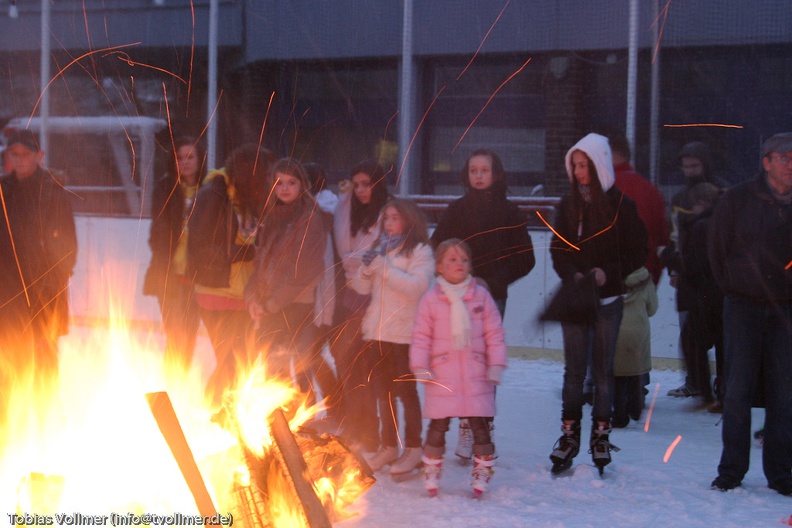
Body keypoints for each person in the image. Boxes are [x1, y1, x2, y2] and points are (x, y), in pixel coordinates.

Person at [547, 133, 647, 475]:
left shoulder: (623, 206)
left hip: (608, 300)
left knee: (603, 371)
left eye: (584, 164)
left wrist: (610, 274)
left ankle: (600, 436)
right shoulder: (567, 205)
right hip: (577, 299)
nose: (579, 171)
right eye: (574, 165)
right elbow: (558, 250)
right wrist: (572, 274)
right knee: (574, 372)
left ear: (599, 164)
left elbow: (637, 251)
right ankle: (569, 435)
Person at [430, 148, 535, 462]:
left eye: (484, 170)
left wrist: (494, 282)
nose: (478, 176)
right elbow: (438, 247)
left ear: (495, 174)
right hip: (455, 298)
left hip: (491, 298)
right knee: (459, 362)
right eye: (473, 170)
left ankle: (482, 426)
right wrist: (454, 276)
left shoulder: (510, 213)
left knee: (482, 361)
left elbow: (525, 259)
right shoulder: (455, 211)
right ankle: (465, 425)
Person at [709, 132, 792, 495]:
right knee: (737, 389)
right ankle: (732, 469)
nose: (791, 165)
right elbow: (717, 248)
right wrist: (735, 286)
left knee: (784, 391)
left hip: (786, 309)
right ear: (767, 161)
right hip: (743, 305)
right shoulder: (738, 200)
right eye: (785, 157)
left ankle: (780, 470)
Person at [410, 238, 507, 497]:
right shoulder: (431, 300)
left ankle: (482, 470)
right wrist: (420, 365)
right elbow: (421, 336)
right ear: (439, 266)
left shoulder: (481, 296)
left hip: (476, 373)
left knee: (480, 426)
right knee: (438, 426)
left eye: (464, 259)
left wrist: (496, 363)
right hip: (442, 374)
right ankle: (431, 469)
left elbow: (494, 333)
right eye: (452, 259)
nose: (459, 264)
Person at [186, 144, 275, 406]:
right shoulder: (214, 194)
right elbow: (203, 249)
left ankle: (220, 411)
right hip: (216, 293)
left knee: (240, 361)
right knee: (233, 361)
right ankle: (214, 411)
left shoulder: (242, 195)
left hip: (240, 294)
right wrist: (250, 252)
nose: (268, 183)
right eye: (265, 176)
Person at [353, 198, 434, 475]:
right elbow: (362, 289)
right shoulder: (381, 251)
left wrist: (380, 267)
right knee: (382, 393)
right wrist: (366, 269)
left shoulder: (419, 251)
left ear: (409, 220)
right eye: (385, 218)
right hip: (376, 333)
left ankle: (414, 448)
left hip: (403, 335)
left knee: (406, 393)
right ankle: (389, 446)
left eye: (394, 218)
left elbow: (416, 287)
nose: (388, 223)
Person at [0, 130, 77, 394]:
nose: (20, 160)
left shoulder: (53, 193)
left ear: (39, 156)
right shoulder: (3, 191)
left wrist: (49, 290)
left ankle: (46, 422)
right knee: (9, 366)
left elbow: (67, 250)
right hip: (7, 295)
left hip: (45, 292)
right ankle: (8, 424)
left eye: (26, 154)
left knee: (43, 365)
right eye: (15, 154)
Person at [245, 158, 331, 391]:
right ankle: (280, 419)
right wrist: (252, 297)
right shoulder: (273, 215)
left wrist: (270, 304)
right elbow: (261, 263)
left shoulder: (310, 219)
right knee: (271, 366)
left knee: (283, 364)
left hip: (294, 305)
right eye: (279, 182)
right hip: (269, 303)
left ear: (302, 184)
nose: (284, 188)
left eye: (291, 182)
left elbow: (303, 273)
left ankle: (290, 419)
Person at [332, 160, 390, 452]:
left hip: (375, 298)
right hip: (348, 294)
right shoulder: (346, 210)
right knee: (348, 360)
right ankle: (359, 425)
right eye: (356, 185)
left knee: (360, 363)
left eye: (366, 184)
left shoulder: (388, 213)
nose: (360, 190)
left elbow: (391, 254)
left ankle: (370, 430)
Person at [666, 141, 729, 398]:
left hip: (716, 278)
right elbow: (676, 234)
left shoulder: (723, 193)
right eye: (685, 166)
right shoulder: (681, 198)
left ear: (705, 164)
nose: (689, 170)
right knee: (693, 334)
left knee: (716, 337)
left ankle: (718, 385)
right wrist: (676, 271)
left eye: (694, 165)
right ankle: (700, 382)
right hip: (693, 275)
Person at [144, 136, 205, 372]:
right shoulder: (166, 186)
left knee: (188, 336)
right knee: (175, 335)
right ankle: (171, 385)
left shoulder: (209, 188)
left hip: (197, 278)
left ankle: (179, 384)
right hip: (170, 275)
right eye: (180, 158)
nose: (185, 162)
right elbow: (157, 231)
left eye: (190, 157)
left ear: (200, 159)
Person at [661, 183, 724, 409]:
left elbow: (693, 265)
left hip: (702, 295)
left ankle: (704, 391)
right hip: (721, 294)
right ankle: (721, 393)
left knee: (692, 342)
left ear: (701, 203)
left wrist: (667, 256)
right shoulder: (723, 222)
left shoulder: (700, 227)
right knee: (721, 346)